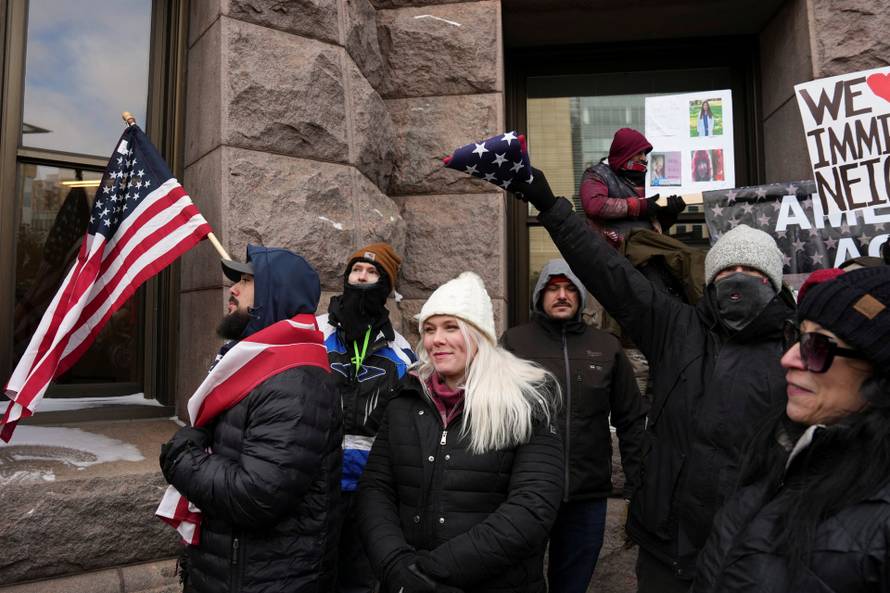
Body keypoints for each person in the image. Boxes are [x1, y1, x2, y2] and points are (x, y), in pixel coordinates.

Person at [513, 170, 795, 593]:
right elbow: (607, 270)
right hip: (667, 548)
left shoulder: (798, 351)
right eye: (726, 270)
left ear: (772, 284)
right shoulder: (676, 328)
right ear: (710, 278)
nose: (737, 279)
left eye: (750, 272)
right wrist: (551, 207)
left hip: (752, 551)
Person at [356, 271, 565, 593]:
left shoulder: (526, 400)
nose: (436, 339)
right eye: (429, 329)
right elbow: (375, 489)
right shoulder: (405, 397)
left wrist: (434, 573)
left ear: (478, 334)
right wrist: (396, 566)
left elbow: (532, 507)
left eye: (451, 327)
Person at [694, 266, 890, 592]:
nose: (788, 358)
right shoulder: (782, 448)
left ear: (880, 373)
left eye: (818, 346)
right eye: (795, 336)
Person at [159, 245, 342, 593]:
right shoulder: (250, 363)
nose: (233, 289)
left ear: (276, 294)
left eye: (246, 281)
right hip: (233, 570)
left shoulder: (296, 382)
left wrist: (181, 459)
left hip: (265, 579)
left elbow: (255, 494)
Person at [501, 259, 646, 593]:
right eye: (553, 288)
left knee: (572, 586)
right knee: (520, 582)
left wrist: (638, 487)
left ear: (580, 297)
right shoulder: (515, 343)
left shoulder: (606, 347)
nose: (562, 295)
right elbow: (493, 415)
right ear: (540, 296)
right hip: (526, 494)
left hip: (586, 496)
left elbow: (631, 421)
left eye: (569, 288)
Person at [317, 242, 416, 593]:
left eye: (372, 273)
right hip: (316, 487)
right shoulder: (315, 335)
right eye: (356, 270)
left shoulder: (402, 352)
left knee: (360, 583)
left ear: (386, 286)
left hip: (369, 494)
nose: (362, 277)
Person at [579, 128, 686, 248]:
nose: (644, 158)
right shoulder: (597, 174)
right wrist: (638, 206)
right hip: (611, 253)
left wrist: (670, 214)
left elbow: (652, 224)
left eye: (645, 153)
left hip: (648, 248)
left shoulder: (646, 179)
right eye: (639, 153)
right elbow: (594, 205)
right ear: (625, 154)